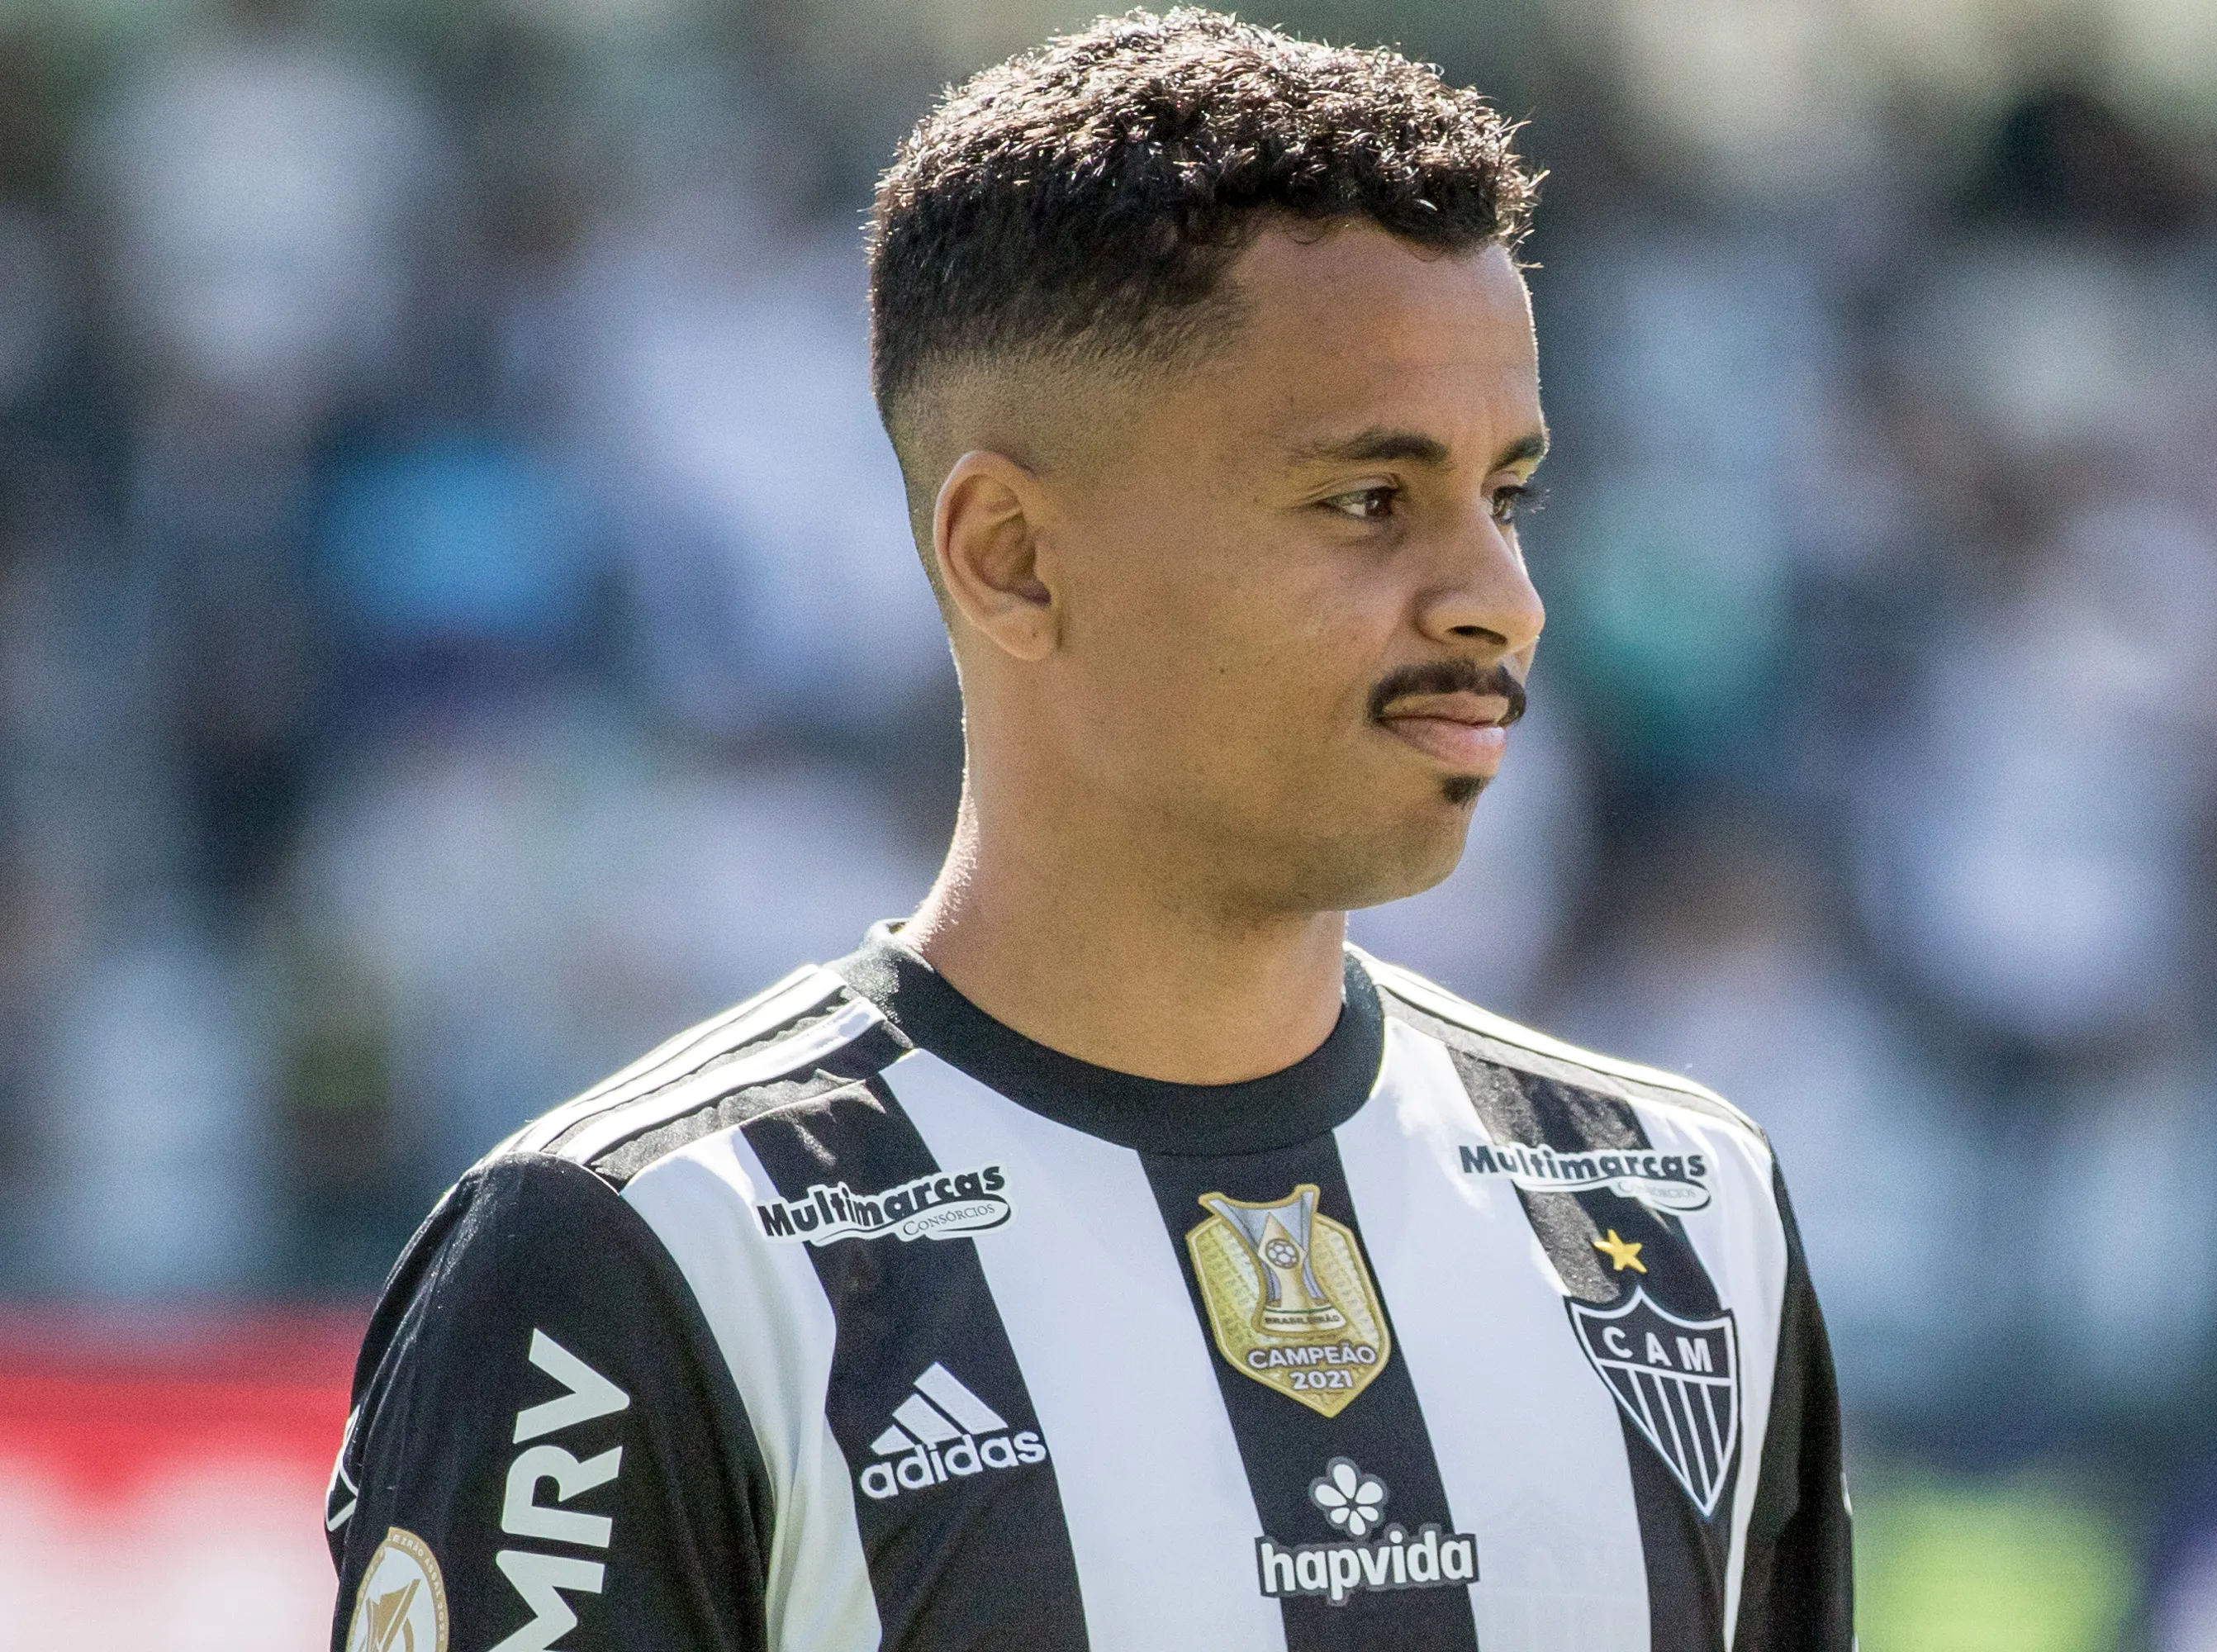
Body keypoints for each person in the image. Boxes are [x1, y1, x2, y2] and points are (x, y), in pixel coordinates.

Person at [325, 12, 1851, 1651]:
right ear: (1012, 558)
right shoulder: (643, 1260)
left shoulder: (1680, 1209)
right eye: (1367, 500)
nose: (1501, 599)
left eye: (1511, 496)